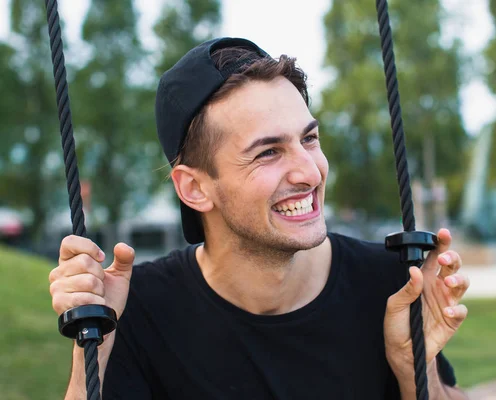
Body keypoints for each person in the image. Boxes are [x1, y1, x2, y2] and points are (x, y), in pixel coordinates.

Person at [49, 37, 470, 399]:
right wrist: (94, 348)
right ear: (194, 188)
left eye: (309, 138)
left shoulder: (391, 284)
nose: (309, 171)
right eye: (268, 152)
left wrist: (416, 369)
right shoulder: (133, 310)